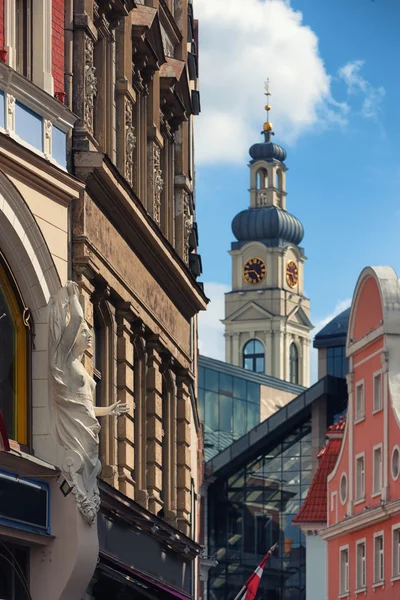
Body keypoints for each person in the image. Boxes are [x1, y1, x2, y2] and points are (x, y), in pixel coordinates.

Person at [49, 281, 128, 522]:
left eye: (89, 333)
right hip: (73, 426)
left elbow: (86, 407)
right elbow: (75, 321)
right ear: (73, 338)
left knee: (88, 469)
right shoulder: (64, 360)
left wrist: (108, 410)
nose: (89, 336)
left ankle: (85, 498)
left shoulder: (83, 368)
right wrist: (74, 298)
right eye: (85, 332)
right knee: (77, 466)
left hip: (87, 426)